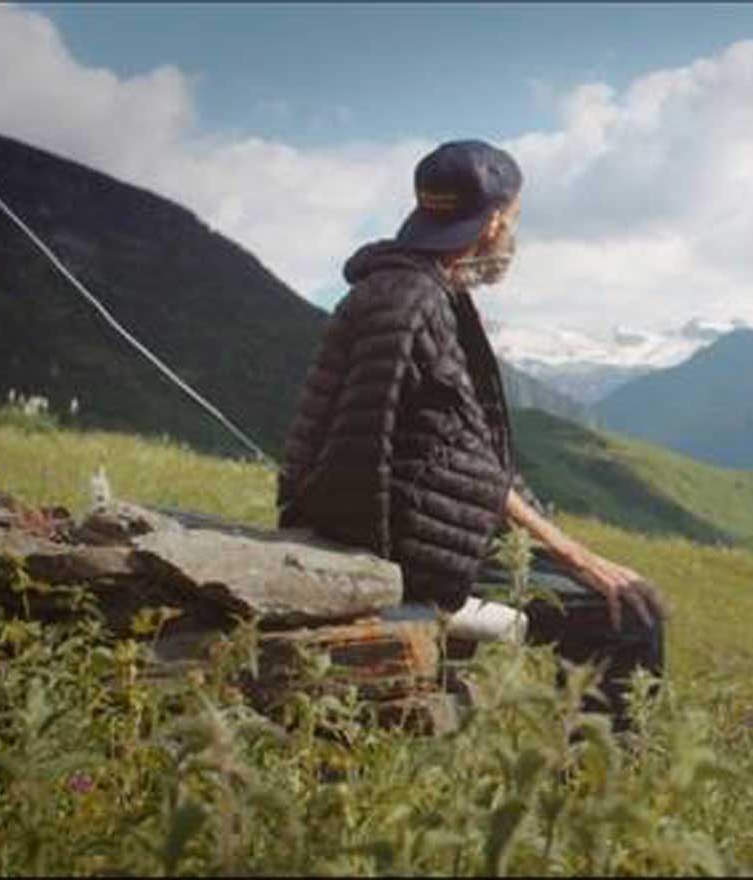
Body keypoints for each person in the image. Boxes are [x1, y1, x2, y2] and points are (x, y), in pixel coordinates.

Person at [277, 140, 665, 724]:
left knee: (606, 594)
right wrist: (575, 555)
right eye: (514, 217)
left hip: (407, 531)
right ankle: (600, 788)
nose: (513, 231)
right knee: (631, 612)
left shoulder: (401, 289)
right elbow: (458, 457)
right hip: (408, 550)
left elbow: (446, 443)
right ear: (492, 221)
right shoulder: (415, 302)